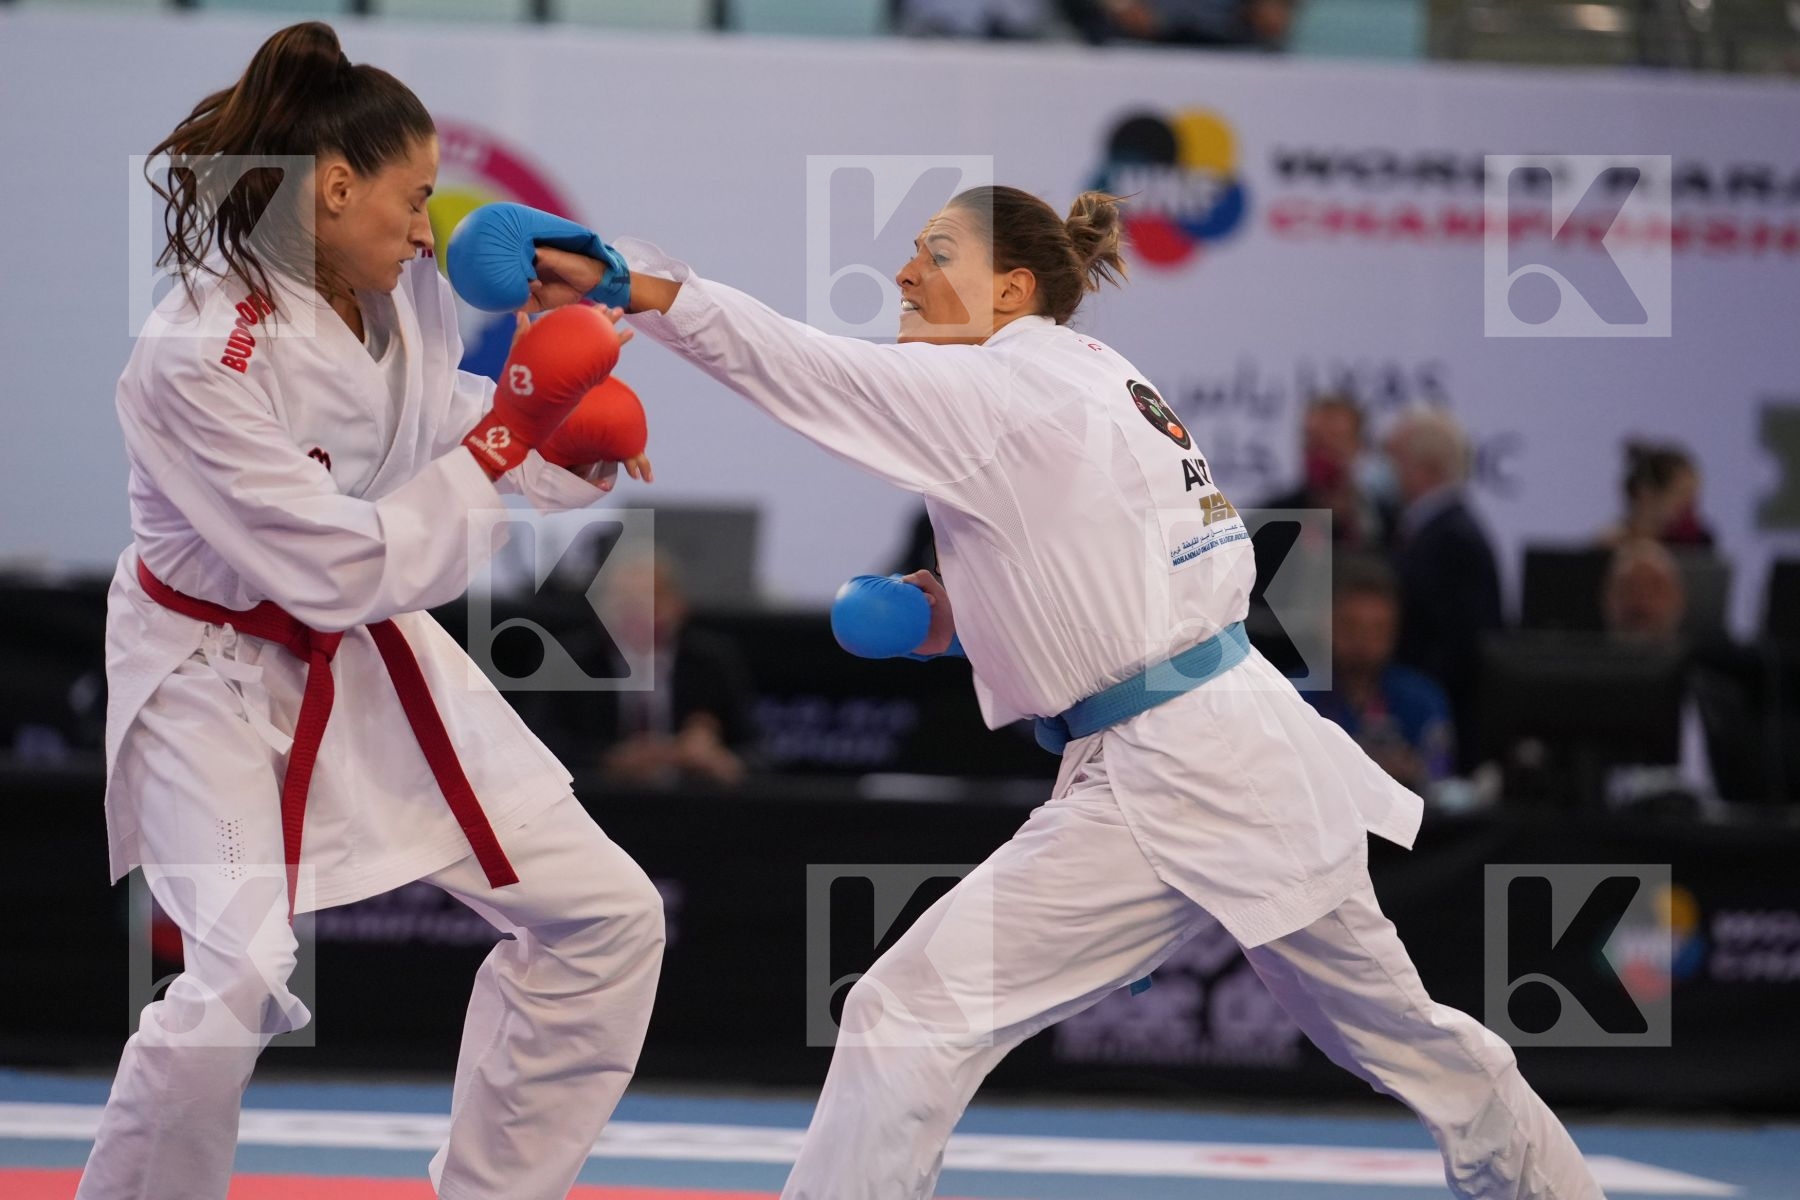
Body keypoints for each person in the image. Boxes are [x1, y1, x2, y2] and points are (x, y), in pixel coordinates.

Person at [496, 184, 1602, 1198]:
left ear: (1013, 288)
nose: (904, 275)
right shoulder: (1098, 373)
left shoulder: (998, 384)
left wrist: (629, 284)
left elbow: (794, 364)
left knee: (907, 1013)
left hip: (1177, 768)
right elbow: (1108, 575)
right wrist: (951, 613)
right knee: (1415, 1041)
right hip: (1232, 743)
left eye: (936, 253)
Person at [84, 24, 663, 1200]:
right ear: (335, 186)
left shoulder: (403, 306)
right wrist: (515, 428)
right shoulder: (196, 355)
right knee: (237, 975)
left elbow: (429, 425)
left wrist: (559, 444)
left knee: (608, 917)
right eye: (414, 197)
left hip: (368, 659)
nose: (425, 225)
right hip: (210, 674)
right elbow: (336, 565)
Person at [526, 550, 757, 787]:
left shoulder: (711, 661)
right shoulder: (569, 661)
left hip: (692, 806)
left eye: (649, 599)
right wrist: (610, 759)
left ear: (678, 604)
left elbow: (756, 752)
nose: (635, 613)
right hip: (598, 803)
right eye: (622, 601)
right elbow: (538, 747)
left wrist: (715, 757)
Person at [1384, 407, 1504, 774]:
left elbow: (1458, 647)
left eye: (1392, 459)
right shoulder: (1429, 531)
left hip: (1442, 729)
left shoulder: (1452, 539)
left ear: (1427, 467)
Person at [1306, 555, 1454, 796]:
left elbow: (1440, 783)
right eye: (1350, 626)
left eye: (1377, 629)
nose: (1363, 641)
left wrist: (1414, 772)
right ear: (1326, 624)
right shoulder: (1292, 696)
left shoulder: (1423, 699)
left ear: (1395, 631)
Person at [1260, 392, 1395, 552]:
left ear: (1358, 446)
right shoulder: (1273, 523)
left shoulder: (1386, 521)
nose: (1322, 453)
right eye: (1314, 441)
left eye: (1334, 440)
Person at [1604, 440, 1715, 549]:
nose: (1689, 507)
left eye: (1693, 497)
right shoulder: (1604, 552)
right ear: (1645, 495)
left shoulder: (1700, 547)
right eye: (1681, 495)